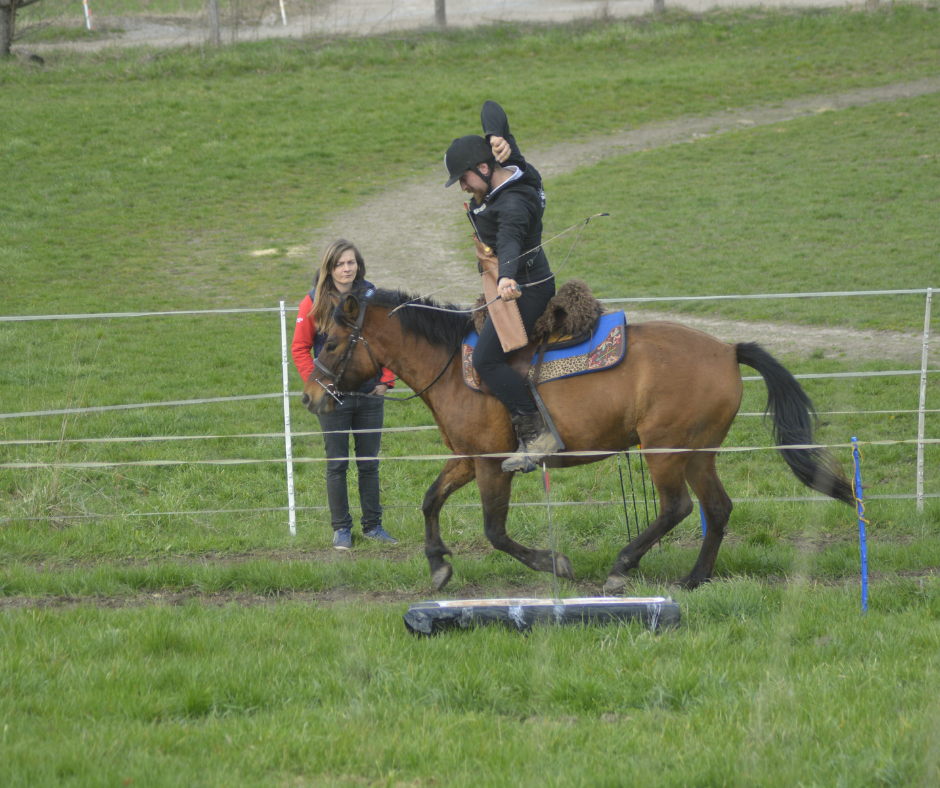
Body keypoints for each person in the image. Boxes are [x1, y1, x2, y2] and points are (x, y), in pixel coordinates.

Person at [444, 100, 560, 473]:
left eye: (463, 178)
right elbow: (490, 106)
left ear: (483, 168)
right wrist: (496, 134)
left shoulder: (513, 200)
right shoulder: (513, 164)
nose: (463, 186)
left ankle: (538, 435)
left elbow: (510, 238)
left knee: (485, 359)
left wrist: (507, 275)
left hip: (526, 288)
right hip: (509, 283)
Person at [292, 239, 399, 550]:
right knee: (337, 464)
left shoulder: (372, 297)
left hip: (369, 394)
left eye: (351, 262)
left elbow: (388, 341)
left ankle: (373, 527)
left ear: (358, 265)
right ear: (329, 268)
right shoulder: (312, 302)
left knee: (369, 463)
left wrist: (386, 380)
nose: (346, 269)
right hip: (332, 397)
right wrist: (317, 384)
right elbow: (300, 348)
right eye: (339, 264)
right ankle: (341, 529)